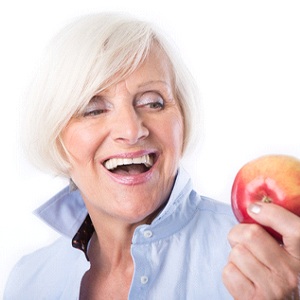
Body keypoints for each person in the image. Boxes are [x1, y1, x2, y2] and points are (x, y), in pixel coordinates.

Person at [4, 12, 300, 299]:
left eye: (153, 103)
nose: (132, 130)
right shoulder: (29, 280)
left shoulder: (271, 261)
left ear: (182, 121)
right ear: (58, 140)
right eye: (94, 109)